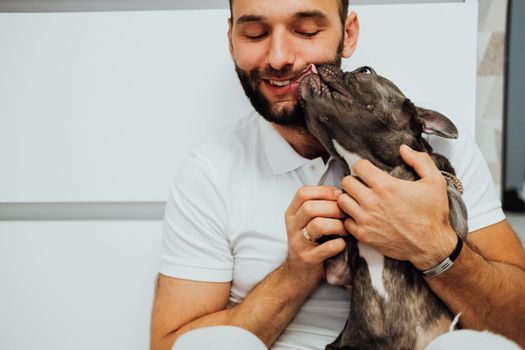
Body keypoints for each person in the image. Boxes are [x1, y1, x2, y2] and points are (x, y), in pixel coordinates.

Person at [150, 1, 525, 349]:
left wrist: (435, 245)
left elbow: (519, 326)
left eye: (307, 31)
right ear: (232, 41)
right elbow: (171, 345)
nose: (279, 57)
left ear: (348, 34)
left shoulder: (434, 148)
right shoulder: (209, 173)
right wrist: (294, 274)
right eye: (255, 34)